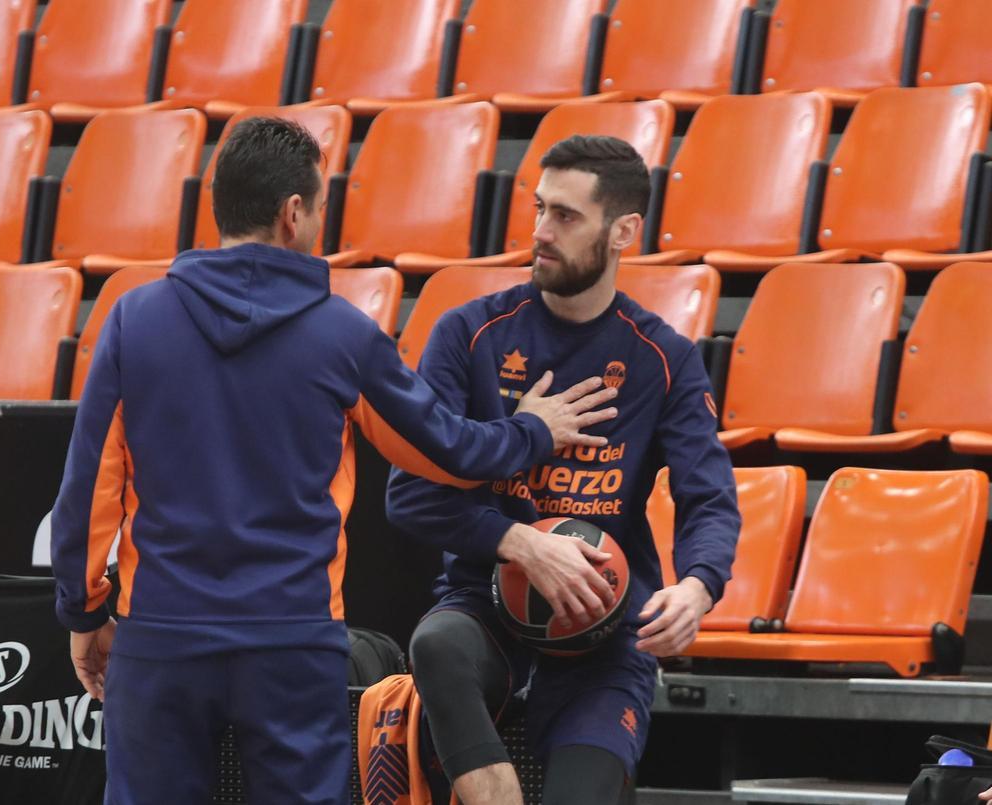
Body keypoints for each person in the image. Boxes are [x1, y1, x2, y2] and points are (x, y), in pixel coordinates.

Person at [49, 118, 621, 805]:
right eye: (319, 206)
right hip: (291, 642)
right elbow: (449, 452)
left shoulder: (131, 320)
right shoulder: (343, 335)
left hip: (162, 639)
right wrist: (531, 428)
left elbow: (86, 496)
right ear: (294, 214)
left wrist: (83, 615)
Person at [386, 134, 742, 805]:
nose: (542, 233)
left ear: (623, 232)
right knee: (436, 642)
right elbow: (408, 495)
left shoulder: (662, 358)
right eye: (540, 209)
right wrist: (521, 542)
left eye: (567, 216)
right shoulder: (469, 334)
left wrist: (699, 585)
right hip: (484, 604)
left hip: (607, 629)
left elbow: (710, 499)